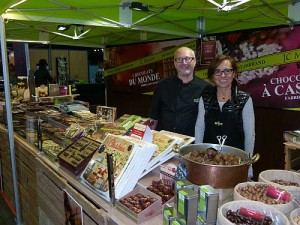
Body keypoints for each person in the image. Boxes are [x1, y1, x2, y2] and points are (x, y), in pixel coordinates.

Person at [194, 54, 255, 177]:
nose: (222, 75)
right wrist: (197, 158)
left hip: (234, 162)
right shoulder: (205, 98)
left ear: (234, 73)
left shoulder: (244, 99)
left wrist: (248, 165)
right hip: (209, 161)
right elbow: (199, 129)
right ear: (212, 76)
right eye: (218, 71)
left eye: (227, 71)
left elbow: (250, 135)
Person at [149, 46, 211, 136]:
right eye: (179, 59)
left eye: (187, 59)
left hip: (192, 144)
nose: (184, 62)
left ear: (195, 61)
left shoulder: (206, 88)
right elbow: (154, 117)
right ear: (174, 63)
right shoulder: (162, 85)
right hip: (165, 140)